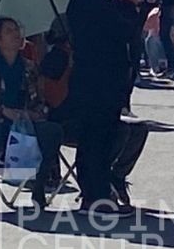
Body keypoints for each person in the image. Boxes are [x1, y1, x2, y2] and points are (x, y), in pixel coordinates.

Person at [38, 16, 148, 210]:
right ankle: (97, 184)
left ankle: (116, 176)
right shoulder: (56, 58)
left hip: (91, 114)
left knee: (138, 129)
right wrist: (70, 69)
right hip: (64, 121)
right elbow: (53, 99)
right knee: (113, 131)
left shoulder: (89, 58)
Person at [0, 18, 64, 215]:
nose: (16, 34)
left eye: (17, 30)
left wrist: (31, 113)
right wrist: (2, 110)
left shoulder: (29, 66)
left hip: (25, 123)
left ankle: (39, 187)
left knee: (53, 131)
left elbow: (39, 101)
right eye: (9, 31)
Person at [64, 0, 140, 216]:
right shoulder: (88, 2)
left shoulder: (93, 1)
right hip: (97, 83)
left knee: (100, 139)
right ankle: (96, 197)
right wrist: (129, 7)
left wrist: (123, 3)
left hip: (101, 82)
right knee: (97, 141)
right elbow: (121, 30)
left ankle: (96, 193)